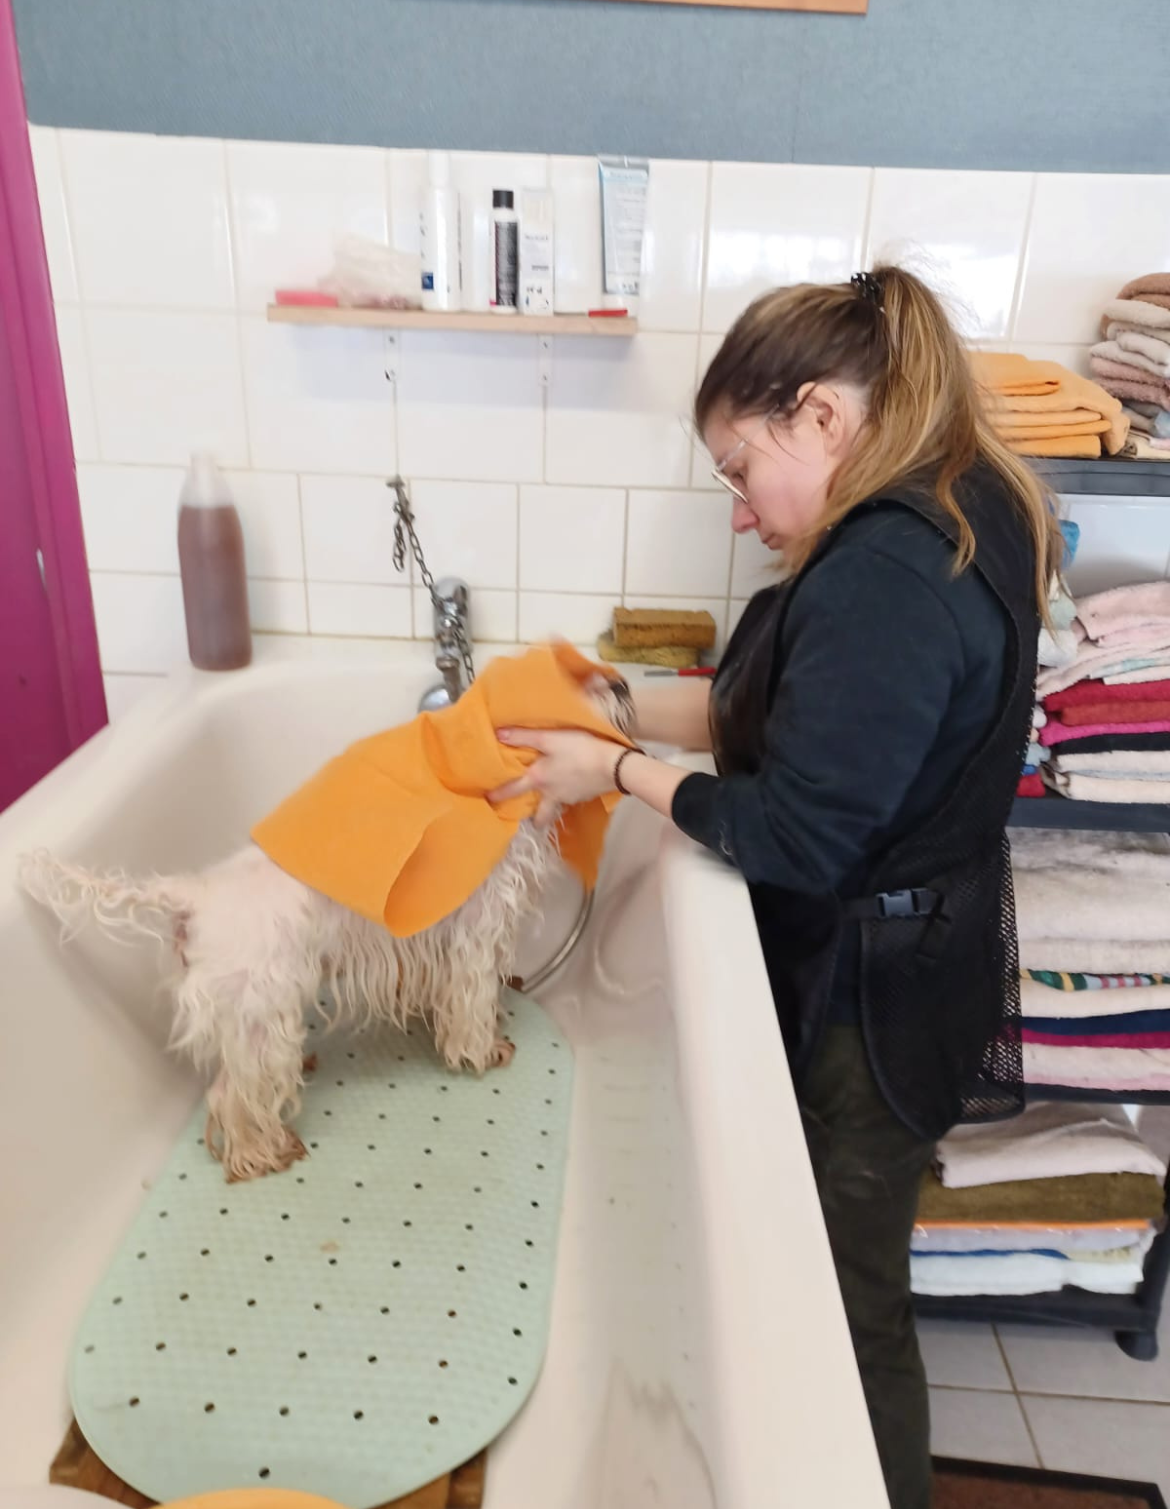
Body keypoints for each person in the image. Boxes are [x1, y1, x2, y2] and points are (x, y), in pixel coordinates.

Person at [489, 265, 1063, 1509]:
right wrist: (618, 703)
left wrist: (615, 770)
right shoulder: (956, 498)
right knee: (832, 1289)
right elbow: (805, 729)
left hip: (877, 1001)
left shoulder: (885, 573)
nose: (744, 513)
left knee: (851, 1315)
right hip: (919, 956)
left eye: (742, 470)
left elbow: (796, 833)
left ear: (821, 415)